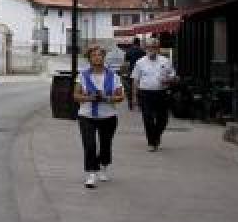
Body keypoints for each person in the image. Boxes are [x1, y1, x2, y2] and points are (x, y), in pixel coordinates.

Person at [72, 45, 125, 189]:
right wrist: (90, 98)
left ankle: (104, 166)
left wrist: (107, 98)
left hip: (108, 116)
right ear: (89, 58)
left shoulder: (113, 76)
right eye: (94, 55)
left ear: (103, 57)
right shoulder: (82, 75)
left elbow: (121, 97)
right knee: (89, 144)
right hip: (87, 115)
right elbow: (76, 96)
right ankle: (91, 173)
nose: (97, 57)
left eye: (100, 55)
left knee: (105, 144)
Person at [131, 37, 177, 151]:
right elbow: (135, 80)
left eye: (154, 47)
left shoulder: (165, 61)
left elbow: (173, 76)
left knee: (163, 119)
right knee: (148, 118)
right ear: (146, 48)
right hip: (145, 94)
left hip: (161, 93)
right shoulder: (140, 62)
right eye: (149, 47)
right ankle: (152, 142)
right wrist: (134, 97)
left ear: (158, 49)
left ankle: (157, 136)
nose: (152, 49)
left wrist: (169, 80)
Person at [120, 36, 144, 110]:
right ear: (139, 43)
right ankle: (140, 104)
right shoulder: (142, 51)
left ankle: (130, 105)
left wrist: (124, 73)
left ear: (133, 43)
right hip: (140, 72)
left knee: (130, 88)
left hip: (131, 72)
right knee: (140, 88)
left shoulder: (128, 51)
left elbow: (126, 63)